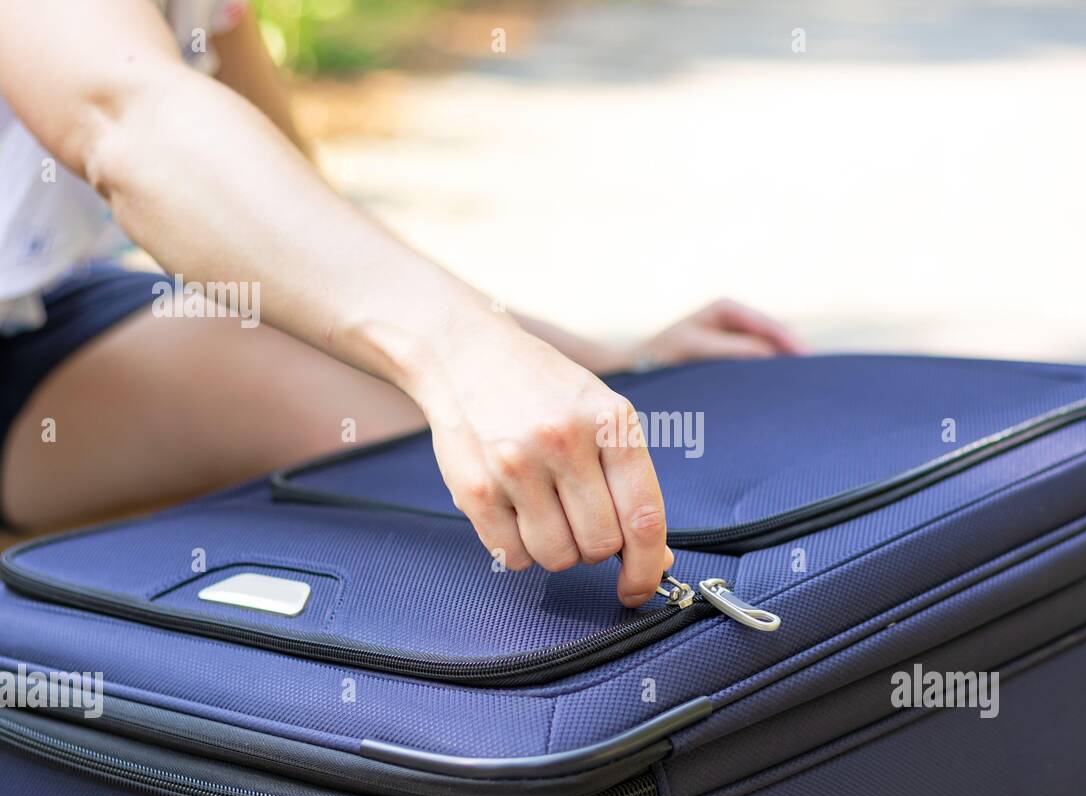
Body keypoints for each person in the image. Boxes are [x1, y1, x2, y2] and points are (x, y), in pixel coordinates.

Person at [0, 0, 801, 606]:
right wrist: (466, 356)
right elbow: (121, 116)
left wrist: (591, 360)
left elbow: (299, 231)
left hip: (35, 306)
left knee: (432, 449)